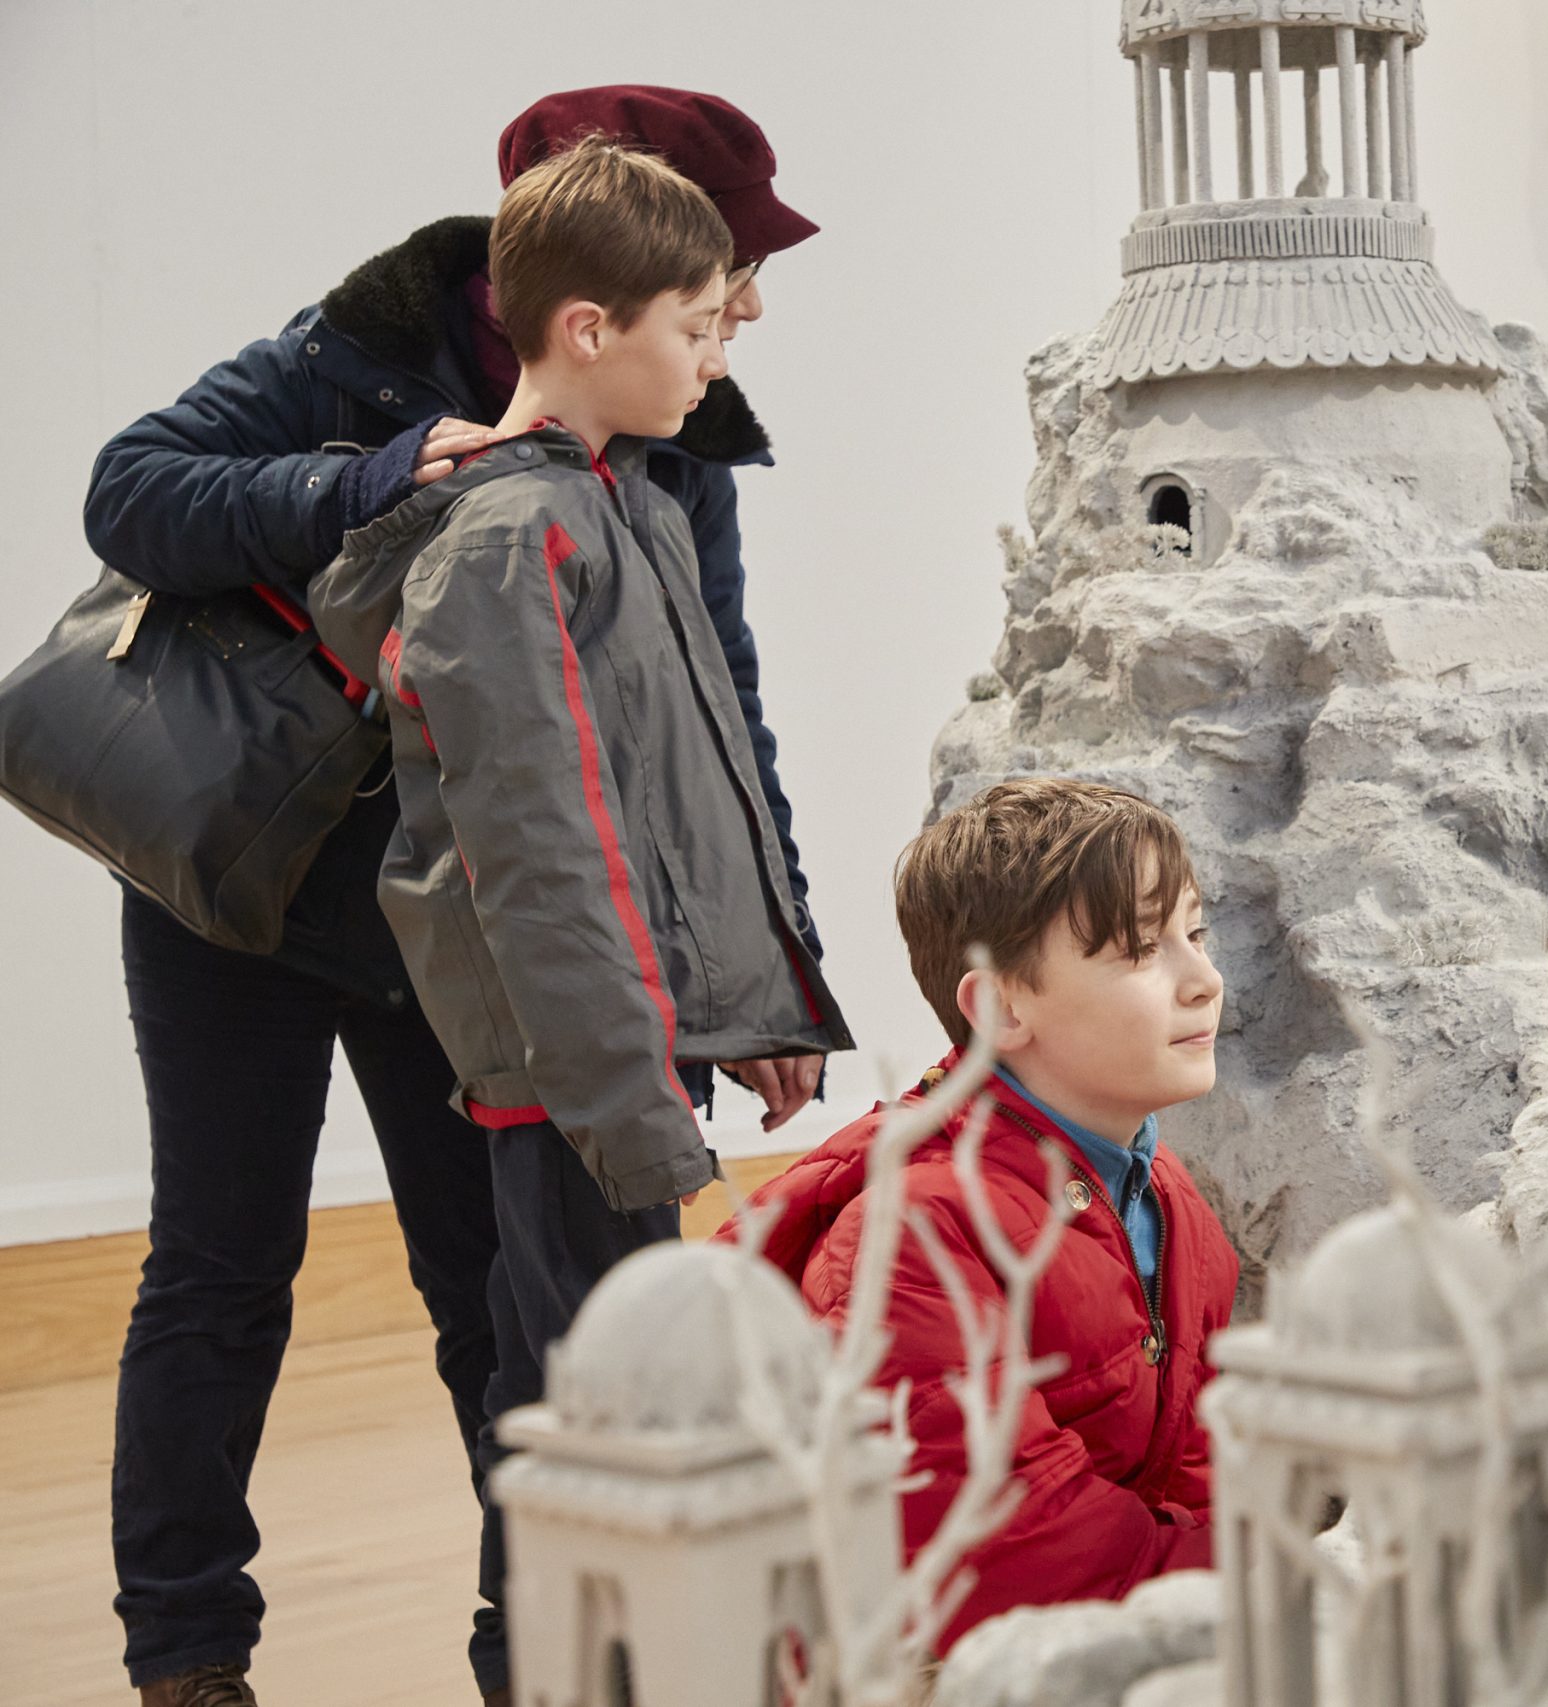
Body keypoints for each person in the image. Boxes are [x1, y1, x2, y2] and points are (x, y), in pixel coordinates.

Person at [83, 85, 829, 1707]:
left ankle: (533, 1642)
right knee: (220, 1265)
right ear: (602, 249)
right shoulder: (361, 348)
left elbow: (718, 713)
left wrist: (780, 966)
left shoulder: (674, 450)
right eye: (726, 264)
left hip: (464, 927)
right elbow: (131, 489)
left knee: (490, 1292)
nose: (751, 304)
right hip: (246, 888)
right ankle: (186, 1644)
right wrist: (372, 473)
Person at [307, 133, 854, 1703]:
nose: (714, 356)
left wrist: (756, 1009)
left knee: (625, 1394)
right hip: (570, 1065)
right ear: (591, 329)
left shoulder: (634, 513)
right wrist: (625, 1088)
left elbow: (693, 790)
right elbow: (542, 850)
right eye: (696, 325)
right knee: (595, 1413)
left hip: (625, 1049)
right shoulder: (506, 541)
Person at [731, 778, 1241, 1650]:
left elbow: (1196, 1468)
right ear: (1003, 1006)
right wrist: (1250, 1583)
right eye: (1141, 950)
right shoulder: (914, 1241)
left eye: (1194, 934)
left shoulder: (1169, 1201)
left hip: (1120, 1618)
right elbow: (1008, 1550)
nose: (1204, 980)